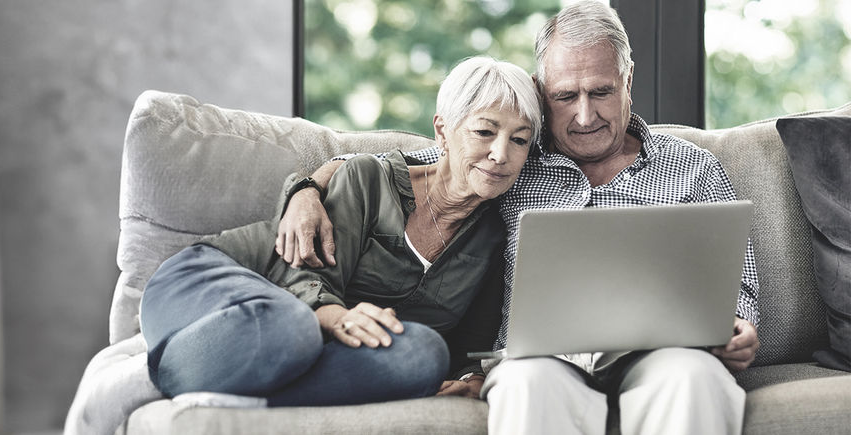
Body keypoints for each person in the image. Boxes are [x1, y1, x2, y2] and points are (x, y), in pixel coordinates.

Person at [274, 2, 760, 433]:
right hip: (538, 359)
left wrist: (738, 327)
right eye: (566, 97)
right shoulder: (511, 158)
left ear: (627, 80)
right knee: (527, 387)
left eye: (601, 92)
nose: (586, 115)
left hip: (663, 354)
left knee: (695, 379)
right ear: (540, 91)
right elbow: (414, 165)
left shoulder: (692, 166)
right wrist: (308, 187)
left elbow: (736, 284)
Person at [139, 56, 539, 408]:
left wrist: (472, 379)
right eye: (484, 132)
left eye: (518, 140)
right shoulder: (369, 178)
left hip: (299, 339)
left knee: (423, 355)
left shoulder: (492, 236)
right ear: (442, 131)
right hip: (216, 282)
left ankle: (236, 394)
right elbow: (304, 273)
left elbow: (467, 346)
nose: (501, 154)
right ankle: (171, 376)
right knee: (293, 327)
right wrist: (339, 317)